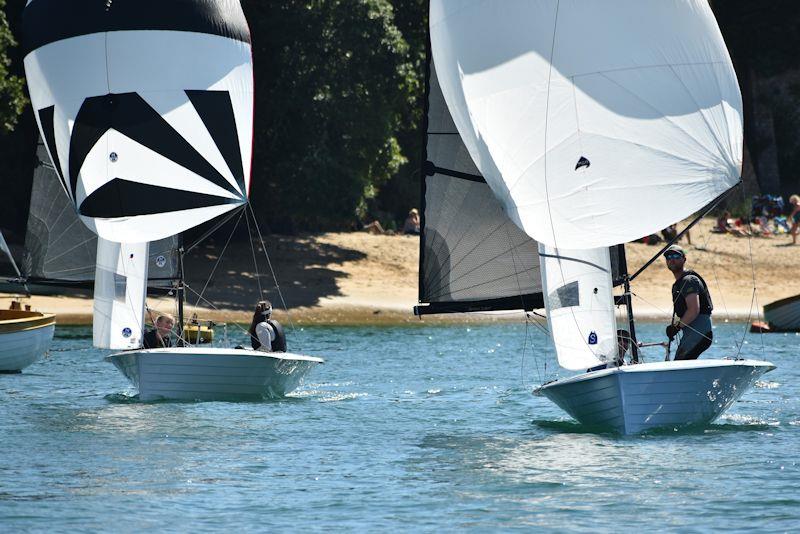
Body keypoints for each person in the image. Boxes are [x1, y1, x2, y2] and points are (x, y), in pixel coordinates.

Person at [664, 245, 713, 360]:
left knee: (680, 363)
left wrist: (676, 327)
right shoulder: (678, 284)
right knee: (679, 361)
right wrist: (673, 327)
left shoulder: (689, 280)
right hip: (690, 332)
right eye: (668, 256)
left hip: (700, 331)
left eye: (676, 256)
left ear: (684, 259)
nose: (672, 259)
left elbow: (693, 310)